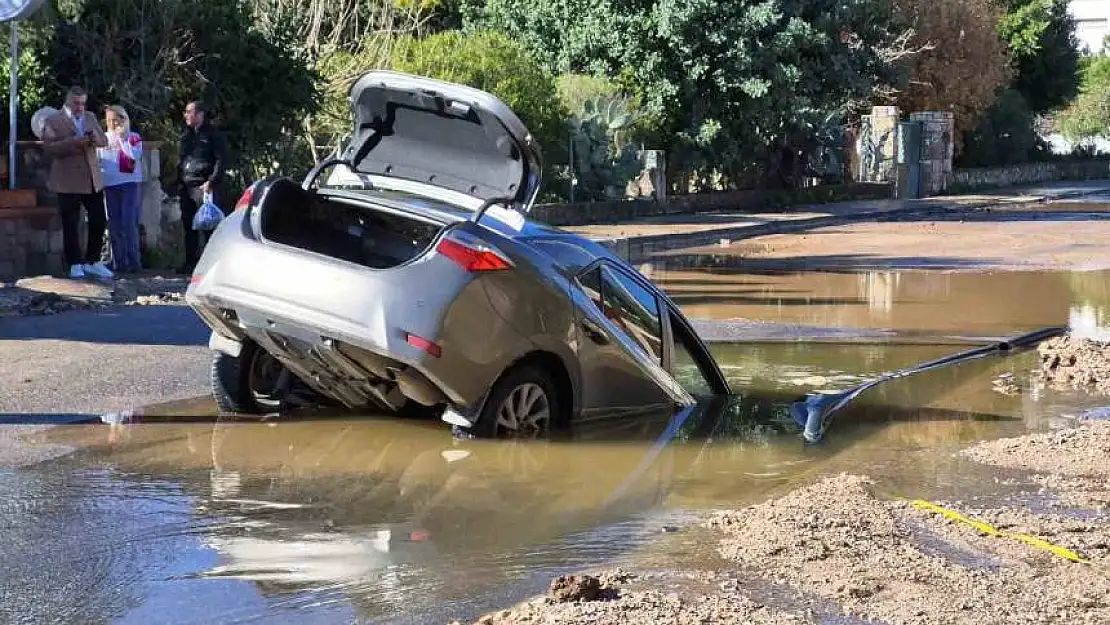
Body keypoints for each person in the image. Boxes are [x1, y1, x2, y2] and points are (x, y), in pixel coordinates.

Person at [41, 86, 113, 280]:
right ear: (67, 102)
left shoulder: (89, 117)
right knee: (71, 223)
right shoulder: (53, 120)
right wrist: (75, 141)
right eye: (76, 103)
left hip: (91, 178)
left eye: (82, 103)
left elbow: (103, 141)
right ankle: (74, 263)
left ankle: (93, 261)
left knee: (99, 219)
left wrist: (93, 136)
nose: (80, 107)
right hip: (67, 179)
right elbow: (50, 148)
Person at [177, 100, 227, 274]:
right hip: (187, 186)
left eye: (189, 112)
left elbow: (221, 160)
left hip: (205, 186)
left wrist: (212, 181)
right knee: (188, 225)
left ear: (200, 114)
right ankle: (190, 262)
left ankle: (211, 265)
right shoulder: (186, 135)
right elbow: (182, 159)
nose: (186, 115)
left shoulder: (213, 135)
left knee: (207, 226)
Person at [98, 105, 144, 274]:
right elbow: (99, 159)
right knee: (114, 224)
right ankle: (118, 261)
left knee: (128, 223)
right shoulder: (103, 138)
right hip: (110, 185)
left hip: (129, 184)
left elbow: (134, 156)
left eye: (115, 120)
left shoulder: (134, 137)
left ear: (123, 120)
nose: (111, 124)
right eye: (109, 120)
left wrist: (123, 138)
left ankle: (133, 261)